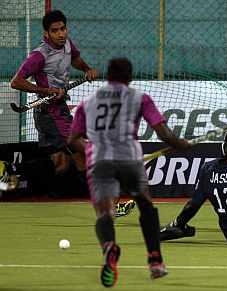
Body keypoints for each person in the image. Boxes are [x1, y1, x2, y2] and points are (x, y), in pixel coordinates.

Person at [68, 57, 190, 287]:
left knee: (104, 214)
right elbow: (163, 134)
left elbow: (72, 139)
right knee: (145, 206)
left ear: (108, 76)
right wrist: (181, 144)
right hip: (130, 160)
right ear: (130, 77)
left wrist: (92, 149)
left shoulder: (87, 103)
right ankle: (155, 260)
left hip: (100, 162)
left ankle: (109, 247)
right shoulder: (139, 98)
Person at [10, 10, 97, 196]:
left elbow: (75, 58)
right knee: (87, 151)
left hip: (59, 109)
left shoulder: (67, 44)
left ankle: (12, 178)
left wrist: (87, 69)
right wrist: (46, 90)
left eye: (63, 29)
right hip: (49, 112)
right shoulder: (39, 55)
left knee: (62, 163)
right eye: (55, 30)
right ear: (46, 34)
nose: (61, 34)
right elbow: (16, 81)